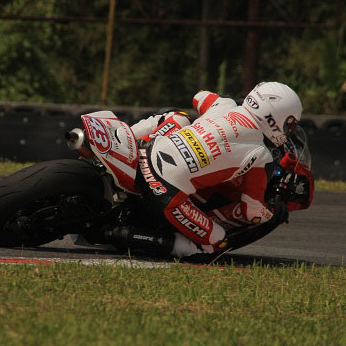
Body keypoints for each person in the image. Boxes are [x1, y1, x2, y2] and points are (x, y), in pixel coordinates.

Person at [128, 82, 304, 257]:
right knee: (216, 242)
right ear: (277, 119)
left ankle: (127, 135)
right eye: (289, 125)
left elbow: (198, 97)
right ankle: (127, 236)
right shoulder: (262, 155)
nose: (288, 130)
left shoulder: (224, 104)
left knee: (177, 117)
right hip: (165, 190)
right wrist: (272, 213)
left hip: (147, 150)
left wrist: (227, 100)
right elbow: (252, 211)